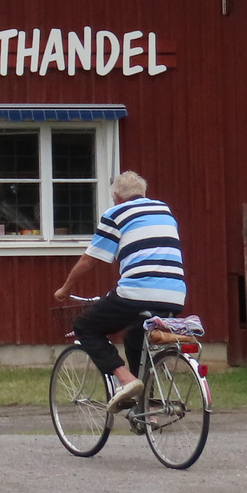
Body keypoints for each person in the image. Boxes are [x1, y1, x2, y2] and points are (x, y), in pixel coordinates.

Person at [52, 171, 186, 412]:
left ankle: (126, 379)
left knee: (84, 325)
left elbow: (89, 260)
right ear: (143, 194)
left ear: (116, 196)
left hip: (137, 291)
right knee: (135, 336)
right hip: (175, 295)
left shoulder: (116, 213)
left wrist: (65, 288)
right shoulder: (163, 210)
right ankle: (146, 410)